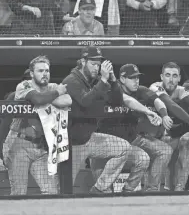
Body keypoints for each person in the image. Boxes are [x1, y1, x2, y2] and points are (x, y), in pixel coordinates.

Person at [63, 46, 157, 193]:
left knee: (123, 147)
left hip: (91, 138)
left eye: (98, 64)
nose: (97, 67)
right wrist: (103, 80)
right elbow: (85, 101)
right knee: (63, 188)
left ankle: (99, 189)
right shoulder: (71, 80)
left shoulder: (94, 81)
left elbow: (116, 100)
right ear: (82, 62)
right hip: (73, 144)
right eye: (93, 64)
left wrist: (113, 81)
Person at [3, 55, 72, 195]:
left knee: (52, 192)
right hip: (19, 144)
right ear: (31, 73)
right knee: (19, 193)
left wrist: (47, 98)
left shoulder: (52, 86)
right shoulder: (24, 86)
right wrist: (55, 94)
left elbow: (68, 100)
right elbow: (37, 98)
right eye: (40, 71)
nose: (45, 74)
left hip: (41, 147)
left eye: (47, 71)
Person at [149, 62, 189, 191]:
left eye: (174, 76)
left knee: (188, 140)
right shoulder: (155, 87)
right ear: (161, 77)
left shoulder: (181, 90)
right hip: (154, 138)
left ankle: (179, 188)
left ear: (179, 78)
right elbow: (170, 104)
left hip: (175, 135)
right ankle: (157, 188)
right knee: (165, 142)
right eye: (167, 75)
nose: (171, 79)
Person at [0, 69, 31, 162]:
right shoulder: (14, 96)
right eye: (28, 79)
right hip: (15, 138)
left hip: (36, 143)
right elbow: (6, 122)